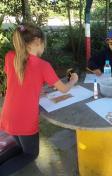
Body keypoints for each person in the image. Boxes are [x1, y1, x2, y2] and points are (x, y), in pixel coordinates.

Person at [0, 23, 78, 175]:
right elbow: (64, 89)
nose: (44, 48)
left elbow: (18, 84)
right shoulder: (43, 65)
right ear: (37, 41)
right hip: (25, 118)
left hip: (8, 113)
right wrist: (73, 80)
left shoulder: (10, 57)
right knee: (30, 154)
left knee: (20, 148)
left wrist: (36, 92)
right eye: (44, 44)